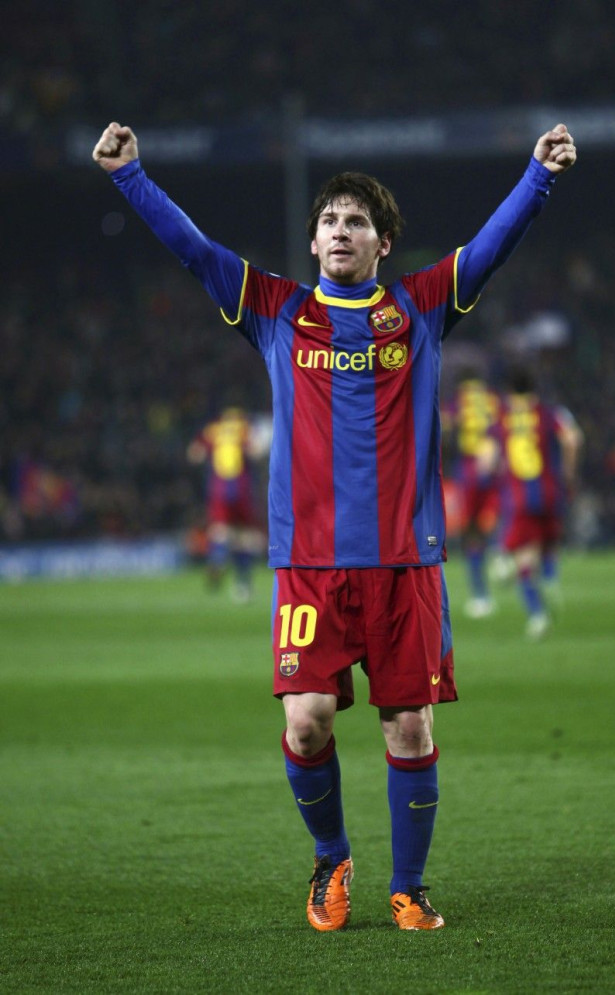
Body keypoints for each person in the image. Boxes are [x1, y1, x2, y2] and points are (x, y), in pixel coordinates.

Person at [92, 119, 576, 930]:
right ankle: (330, 859)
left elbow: (493, 245)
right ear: (314, 242)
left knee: (411, 726)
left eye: (356, 221)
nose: (340, 231)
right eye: (329, 221)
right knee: (307, 720)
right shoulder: (277, 311)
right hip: (309, 563)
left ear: (382, 243)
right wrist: (129, 175)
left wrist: (540, 175)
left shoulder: (420, 307)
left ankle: (410, 885)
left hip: (404, 563)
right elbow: (194, 249)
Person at [493, 367, 583, 639]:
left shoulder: (504, 416)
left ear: (510, 391)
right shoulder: (549, 412)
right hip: (551, 492)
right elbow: (573, 439)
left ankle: (537, 614)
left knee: (521, 558)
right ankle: (551, 579)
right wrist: (568, 471)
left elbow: (489, 458)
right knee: (547, 543)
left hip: (520, 498)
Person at [187, 405, 265, 601]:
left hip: (219, 489)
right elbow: (256, 451)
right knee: (244, 536)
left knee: (220, 531)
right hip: (242, 489)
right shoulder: (244, 428)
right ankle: (242, 584)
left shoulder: (213, 430)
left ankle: (218, 558)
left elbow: (194, 453)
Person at [443, 374, 503, 618]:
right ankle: (501, 553)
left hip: (467, 472)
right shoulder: (494, 400)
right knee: (495, 520)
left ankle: (480, 596)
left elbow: (443, 426)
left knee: (471, 534)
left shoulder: (457, 401)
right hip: (493, 469)